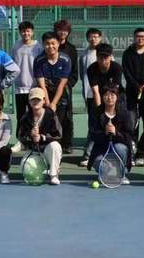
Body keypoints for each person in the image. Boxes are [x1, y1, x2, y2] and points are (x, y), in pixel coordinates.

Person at [34, 32, 73, 160]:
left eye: (53, 43)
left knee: (58, 126)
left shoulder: (66, 59)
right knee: (44, 125)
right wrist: (47, 104)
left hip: (60, 96)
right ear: (43, 45)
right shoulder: (39, 61)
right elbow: (42, 85)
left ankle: (57, 156)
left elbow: (62, 85)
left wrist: (54, 104)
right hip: (45, 96)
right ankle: (42, 154)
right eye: (47, 44)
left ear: (58, 44)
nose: (50, 46)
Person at [86, 86, 134, 184]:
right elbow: (93, 134)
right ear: (102, 97)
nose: (109, 98)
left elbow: (129, 135)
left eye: (112, 95)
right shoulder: (96, 112)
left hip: (118, 147)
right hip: (100, 150)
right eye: (106, 95)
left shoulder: (124, 114)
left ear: (117, 97)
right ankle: (105, 173)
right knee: (98, 162)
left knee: (121, 148)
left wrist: (116, 133)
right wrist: (104, 133)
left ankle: (121, 174)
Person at [122, 27, 144, 163]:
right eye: (138, 36)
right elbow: (127, 72)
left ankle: (142, 153)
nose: (140, 39)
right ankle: (131, 151)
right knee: (131, 125)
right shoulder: (127, 53)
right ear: (134, 38)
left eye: (143, 36)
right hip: (131, 94)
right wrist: (137, 86)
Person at [18, 87, 64, 185]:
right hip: (34, 151)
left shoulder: (51, 115)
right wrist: (30, 136)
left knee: (55, 146)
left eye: (38, 99)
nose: (35, 102)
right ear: (29, 102)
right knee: (25, 168)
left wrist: (42, 137)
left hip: (47, 151)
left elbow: (58, 135)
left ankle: (53, 175)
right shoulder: (25, 117)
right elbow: (21, 137)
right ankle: (44, 168)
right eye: (33, 99)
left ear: (43, 101)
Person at [12, 21, 43, 137]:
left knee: (34, 114)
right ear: (20, 32)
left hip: (34, 88)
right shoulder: (16, 46)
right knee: (20, 115)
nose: (26, 33)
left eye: (28, 31)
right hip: (19, 88)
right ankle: (20, 138)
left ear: (32, 32)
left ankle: (34, 138)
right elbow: (12, 64)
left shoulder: (38, 46)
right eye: (23, 31)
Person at [54, 19, 79, 155]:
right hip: (51, 88)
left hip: (65, 89)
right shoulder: (51, 45)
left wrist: (68, 84)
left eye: (65, 30)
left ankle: (67, 143)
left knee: (67, 117)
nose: (62, 32)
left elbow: (74, 72)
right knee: (52, 115)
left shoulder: (71, 49)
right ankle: (53, 142)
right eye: (60, 30)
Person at [79, 27, 104, 117]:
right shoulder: (83, 55)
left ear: (100, 38)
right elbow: (82, 74)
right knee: (92, 118)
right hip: (90, 93)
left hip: (104, 92)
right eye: (91, 37)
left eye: (95, 37)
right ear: (87, 39)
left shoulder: (107, 53)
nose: (93, 39)